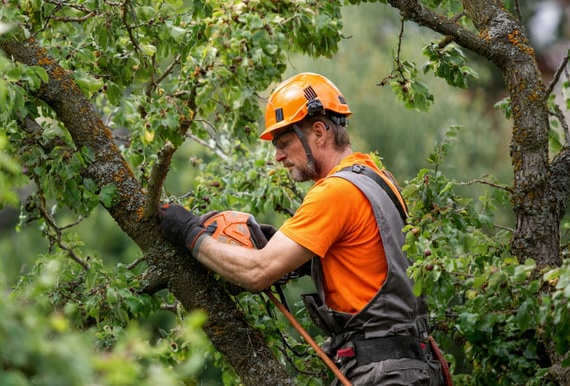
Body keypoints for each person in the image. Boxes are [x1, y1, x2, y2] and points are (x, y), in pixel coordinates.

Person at [159, 73, 447, 385]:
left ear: (320, 132)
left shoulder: (334, 193)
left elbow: (258, 273)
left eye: (283, 143)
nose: (278, 156)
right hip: (412, 366)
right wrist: (301, 259)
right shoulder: (377, 178)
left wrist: (188, 232)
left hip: (381, 372)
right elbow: (365, 262)